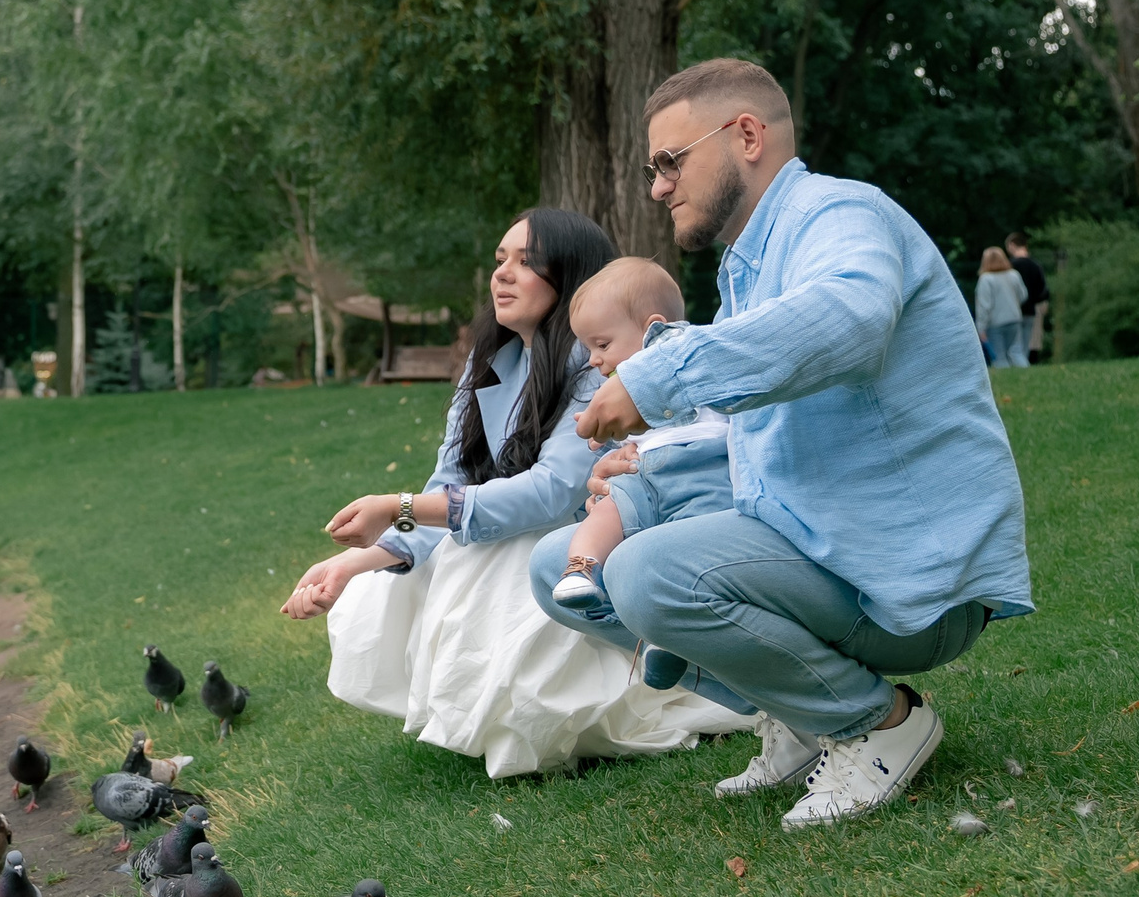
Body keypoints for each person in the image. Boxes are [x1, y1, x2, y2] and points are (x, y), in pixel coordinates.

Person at [573, 57, 1031, 829]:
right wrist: (646, 463)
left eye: (669, 161)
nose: (658, 185)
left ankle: (879, 722)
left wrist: (657, 375)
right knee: (568, 568)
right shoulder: (748, 266)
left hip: (906, 582)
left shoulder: (837, 214)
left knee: (646, 572)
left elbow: (848, 319)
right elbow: (765, 440)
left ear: (746, 134)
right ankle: (800, 714)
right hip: (825, 552)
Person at [281, 209, 753, 777]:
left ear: (570, 276)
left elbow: (553, 492)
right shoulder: (491, 361)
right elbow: (449, 484)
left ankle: (589, 705)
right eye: (499, 260)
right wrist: (359, 559)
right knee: (386, 583)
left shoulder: (601, 363)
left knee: (480, 559)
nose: (502, 274)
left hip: (601, 533)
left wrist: (399, 508)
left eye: (525, 262)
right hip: (517, 528)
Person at [545, 259, 730, 634]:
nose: (594, 359)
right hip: (642, 476)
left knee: (692, 543)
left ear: (653, 329)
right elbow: (611, 433)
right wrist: (600, 436)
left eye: (602, 344)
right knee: (608, 511)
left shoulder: (676, 347)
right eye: (588, 347)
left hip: (701, 471)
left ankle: (676, 630)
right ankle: (582, 568)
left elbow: (674, 358)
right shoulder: (616, 382)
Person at [972, 246, 1027, 368]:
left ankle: (1006, 382)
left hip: (995, 323)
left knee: (999, 355)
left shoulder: (985, 279)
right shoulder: (1014, 275)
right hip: (1014, 319)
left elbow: (984, 306)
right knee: (1016, 351)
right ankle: (1028, 375)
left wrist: (981, 328)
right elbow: (1023, 295)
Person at [1005, 232, 1049, 363]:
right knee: (1028, 344)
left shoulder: (1010, 266)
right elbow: (1043, 290)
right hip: (1031, 309)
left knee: (1014, 346)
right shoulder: (1036, 266)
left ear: (1012, 245)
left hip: (1013, 310)